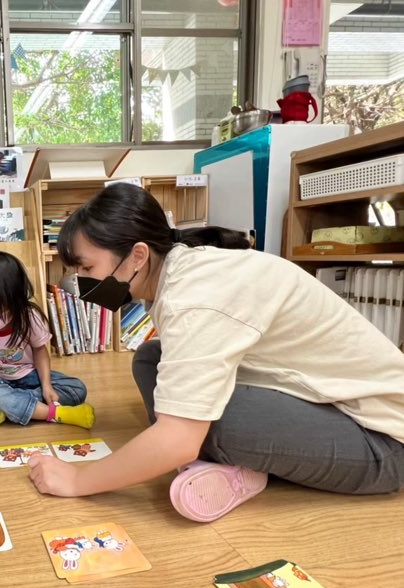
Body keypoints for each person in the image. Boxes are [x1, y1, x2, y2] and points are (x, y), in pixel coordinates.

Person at [27, 183, 404, 522]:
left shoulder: (195, 298)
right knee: (150, 360)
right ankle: (235, 465)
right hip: (320, 403)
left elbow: (178, 438)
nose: (82, 284)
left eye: (88, 268)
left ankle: (233, 465)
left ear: (138, 256)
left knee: (204, 424)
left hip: (382, 441)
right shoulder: (181, 271)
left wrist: (79, 478)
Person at [0, 250, 94, 428]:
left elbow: (40, 350)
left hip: (28, 376)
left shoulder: (29, 316)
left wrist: (47, 385)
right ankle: (52, 413)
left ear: (15, 301)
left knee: (77, 388)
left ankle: (8, 406)